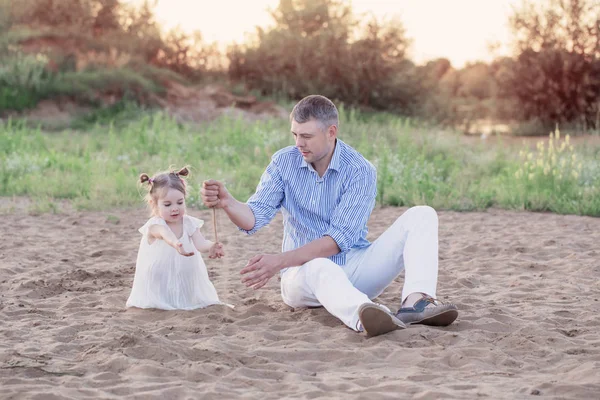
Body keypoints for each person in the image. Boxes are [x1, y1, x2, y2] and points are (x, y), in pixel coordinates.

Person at [201, 95, 458, 337]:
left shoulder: (360, 170)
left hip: (355, 268)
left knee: (422, 214)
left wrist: (277, 261)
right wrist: (228, 202)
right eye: (295, 135)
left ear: (331, 132)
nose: (299, 143)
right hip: (301, 275)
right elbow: (254, 218)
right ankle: (363, 316)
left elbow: (337, 240)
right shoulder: (283, 162)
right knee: (319, 265)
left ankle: (416, 301)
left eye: (307, 136)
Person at [126, 167, 226, 310]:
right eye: (167, 204)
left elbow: (200, 243)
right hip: (159, 279)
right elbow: (164, 233)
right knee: (160, 293)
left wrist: (211, 246)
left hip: (184, 275)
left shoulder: (189, 222)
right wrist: (175, 243)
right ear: (154, 204)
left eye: (180, 202)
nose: (175, 208)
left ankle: (183, 299)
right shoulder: (155, 225)